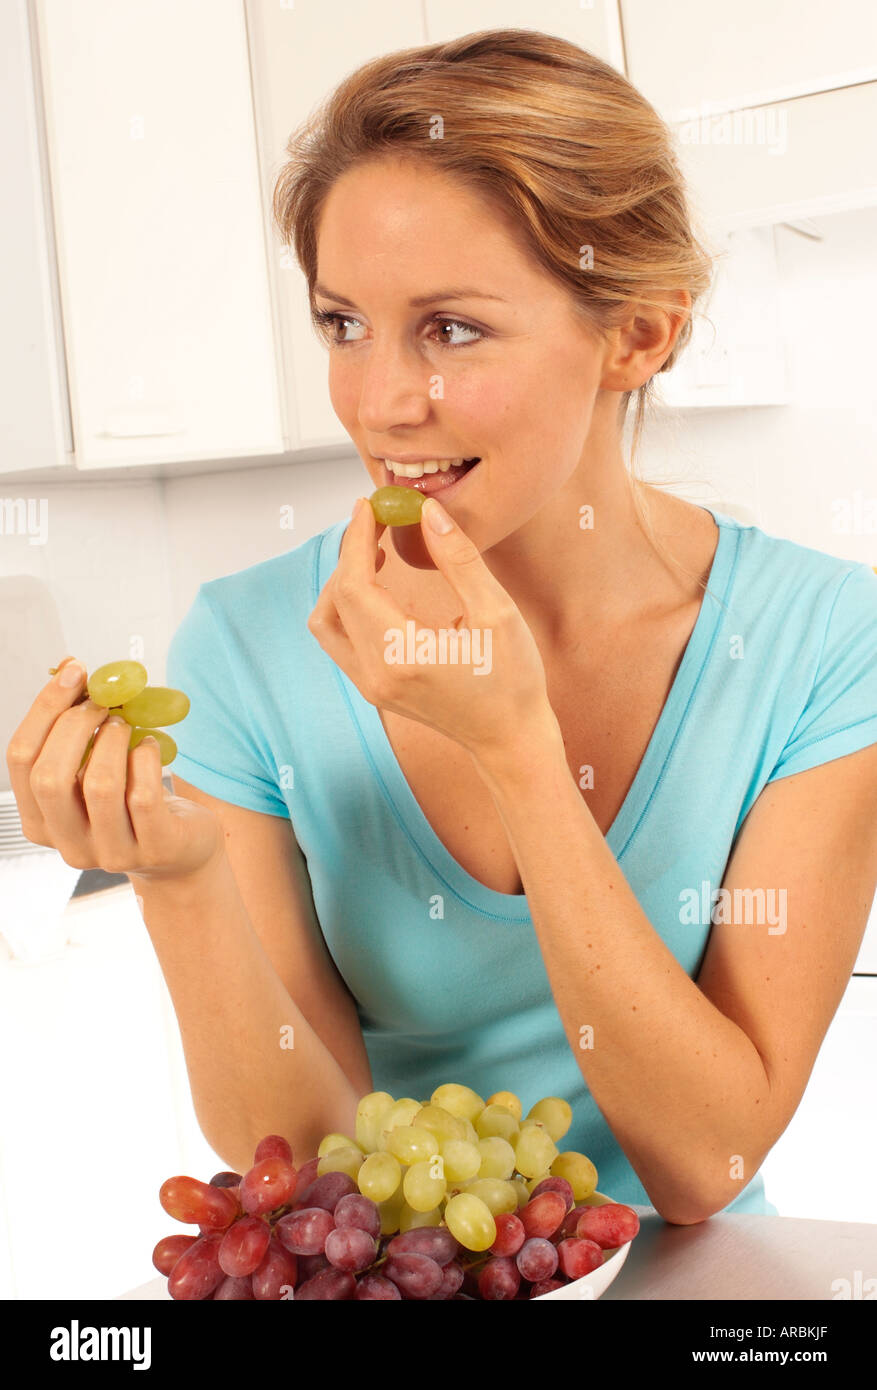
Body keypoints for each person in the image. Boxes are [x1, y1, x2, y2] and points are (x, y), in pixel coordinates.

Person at [7, 30, 877, 1224]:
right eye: (342, 323)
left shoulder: (823, 642)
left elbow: (704, 1168)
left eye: (451, 329)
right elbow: (309, 1171)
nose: (377, 402)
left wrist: (520, 752)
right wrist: (180, 873)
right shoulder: (250, 643)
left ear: (637, 332)